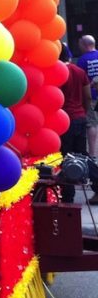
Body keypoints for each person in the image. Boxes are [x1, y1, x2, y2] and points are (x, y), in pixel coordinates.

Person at [58, 43, 98, 203]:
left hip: (63, 120)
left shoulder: (56, 73)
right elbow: (87, 95)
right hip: (79, 117)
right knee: (82, 156)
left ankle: (68, 196)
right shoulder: (79, 71)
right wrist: (83, 111)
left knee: (65, 157)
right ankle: (96, 186)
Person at [77, 35, 98, 158]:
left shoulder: (82, 60)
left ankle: (93, 154)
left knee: (91, 124)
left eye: (80, 44)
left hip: (91, 96)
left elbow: (81, 81)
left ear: (85, 45)